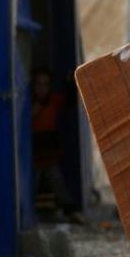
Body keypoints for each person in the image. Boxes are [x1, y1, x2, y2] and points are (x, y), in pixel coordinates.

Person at [32, 68, 85, 224]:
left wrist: (70, 80)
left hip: (49, 154)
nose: (42, 89)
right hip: (33, 156)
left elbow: (70, 100)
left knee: (57, 182)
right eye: (38, 85)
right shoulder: (26, 105)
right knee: (31, 185)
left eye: (45, 85)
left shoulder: (53, 101)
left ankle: (71, 211)